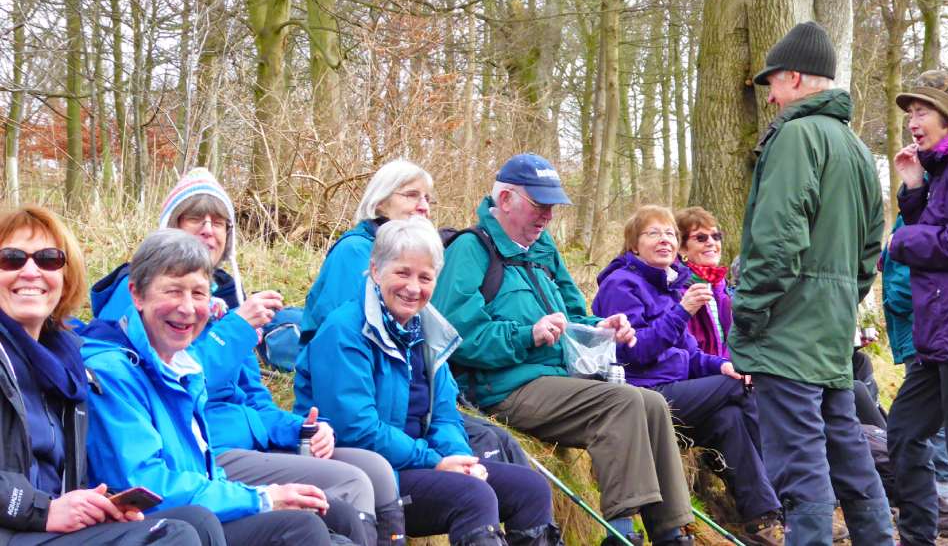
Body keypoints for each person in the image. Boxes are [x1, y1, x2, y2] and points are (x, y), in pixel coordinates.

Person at [89, 169, 400, 545]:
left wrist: (297, 429)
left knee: (359, 491)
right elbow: (151, 479)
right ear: (139, 295)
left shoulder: (217, 314)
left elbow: (253, 399)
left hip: (218, 471)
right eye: (195, 218)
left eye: (219, 222)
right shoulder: (124, 351)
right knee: (335, 498)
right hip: (200, 482)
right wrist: (236, 330)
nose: (209, 230)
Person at [431, 153, 694, 546]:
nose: (548, 216)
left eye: (552, 207)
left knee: (651, 403)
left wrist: (601, 327)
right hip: (502, 387)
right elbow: (457, 338)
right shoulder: (471, 250)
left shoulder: (542, 250)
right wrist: (527, 335)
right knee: (619, 404)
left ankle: (671, 532)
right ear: (505, 200)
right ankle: (620, 533)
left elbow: (572, 316)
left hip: (557, 379)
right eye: (539, 205)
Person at [294, 218, 560, 546]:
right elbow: (357, 429)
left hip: (421, 463)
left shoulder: (428, 332)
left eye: (425, 277)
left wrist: (462, 459)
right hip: (368, 472)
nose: (413, 288)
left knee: (530, 489)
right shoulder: (344, 332)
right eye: (402, 273)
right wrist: (434, 461)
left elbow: (446, 416)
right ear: (376, 271)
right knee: (474, 497)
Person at [732, 21, 891, 545]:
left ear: (795, 78)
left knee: (800, 470)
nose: (771, 97)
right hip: (827, 334)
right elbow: (872, 248)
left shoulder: (797, 137)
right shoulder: (855, 147)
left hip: (787, 334)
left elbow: (776, 241)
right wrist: (842, 299)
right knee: (850, 456)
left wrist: (748, 311)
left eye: (772, 85)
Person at [82, 229, 336, 546]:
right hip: (159, 527)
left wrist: (298, 430)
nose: (187, 308)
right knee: (301, 528)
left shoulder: (183, 366)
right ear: (137, 295)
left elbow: (208, 468)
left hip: (198, 509)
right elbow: (144, 485)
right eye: (173, 291)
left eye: (199, 294)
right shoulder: (113, 372)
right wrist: (261, 498)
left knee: (332, 513)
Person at [0, 206, 223, 546]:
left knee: (198, 522)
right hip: (15, 527)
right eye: (11, 258)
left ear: (65, 275)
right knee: (172, 538)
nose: (31, 271)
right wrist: (42, 510)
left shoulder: (65, 364)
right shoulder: (106, 365)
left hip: (40, 525)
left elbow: (56, 479)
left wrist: (97, 503)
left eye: (48, 259)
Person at [298, 159, 529, 468]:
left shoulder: (420, 298)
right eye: (411, 195)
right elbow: (346, 339)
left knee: (498, 442)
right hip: (365, 397)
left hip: (404, 397)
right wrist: (434, 459)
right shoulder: (355, 251)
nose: (423, 207)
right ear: (380, 201)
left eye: (427, 199)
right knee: (484, 446)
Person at [593, 205, 781, 546]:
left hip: (679, 392)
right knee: (736, 391)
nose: (664, 240)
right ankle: (790, 494)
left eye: (669, 233)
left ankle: (762, 520)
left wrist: (722, 365)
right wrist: (682, 312)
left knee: (730, 414)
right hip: (643, 397)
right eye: (653, 233)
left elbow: (692, 356)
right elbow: (634, 352)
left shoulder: (668, 285)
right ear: (634, 245)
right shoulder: (621, 285)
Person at [887, 69, 948, 546]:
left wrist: (903, 240)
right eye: (908, 113)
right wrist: (913, 187)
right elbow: (940, 226)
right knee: (903, 432)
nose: (912, 122)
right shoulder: (945, 165)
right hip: (939, 336)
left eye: (921, 111)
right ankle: (917, 538)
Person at [881, 214, 948, 537]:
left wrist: (892, 285)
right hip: (934, 333)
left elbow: (903, 286)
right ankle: (935, 515)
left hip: (931, 332)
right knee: (910, 427)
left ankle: (947, 504)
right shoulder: (922, 201)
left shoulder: (940, 198)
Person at [673, 207, 731, 359]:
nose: (711, 243)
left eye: (716, 236)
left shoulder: (721, 286)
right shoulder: (677, 289)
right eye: (701, 238)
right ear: (682, 249)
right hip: (699, 374)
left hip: (727, 368)